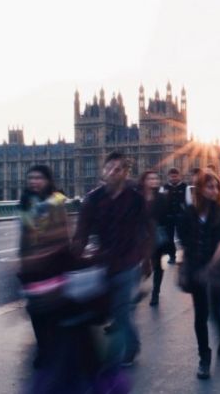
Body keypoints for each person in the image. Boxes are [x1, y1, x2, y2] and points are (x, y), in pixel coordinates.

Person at [73, 152, 151, 367]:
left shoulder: (135, 199)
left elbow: (147, 229)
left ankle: (117, 357)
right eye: (108, 168)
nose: (111, 172)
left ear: (126, 173)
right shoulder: (93, 199)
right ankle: (130, 344)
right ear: (103, 170)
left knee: (120, 313)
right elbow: (81, 233)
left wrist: (146, 260)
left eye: (118, 169)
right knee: (102, 311)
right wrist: (74, 257)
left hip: (128, 263)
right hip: (103, 264)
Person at [179, 170, 220, 380]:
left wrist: (210, 267)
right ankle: (204, 357)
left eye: (216, 186)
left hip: (217, 267)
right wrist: (186, 267)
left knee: (217, 311)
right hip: (195, 267)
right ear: (200, 189)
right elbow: (184, 243)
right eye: (209, 186)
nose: (214, 190)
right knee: (200, 315)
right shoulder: (188, 212)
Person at [17, 165, 70, 368]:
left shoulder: (56, 202)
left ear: (48, 180)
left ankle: (54, 349)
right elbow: (24, 236)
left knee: (53, 312)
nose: (34, 181)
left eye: (38, 178)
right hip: (32, 267)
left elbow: (63, 236)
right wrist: (23, 261)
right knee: (36, 312)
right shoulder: (25, 203)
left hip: (52, 265)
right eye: (30, 178)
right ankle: (43, 349)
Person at [139, 170, 171, 307]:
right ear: (144, 181)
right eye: (150, 178)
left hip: (157, 235)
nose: (154, 181)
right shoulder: (137, 197)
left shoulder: (162, 198)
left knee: (157, 265)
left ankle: (155, 293)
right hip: (140, 236)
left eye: (156, 178)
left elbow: (167, 219)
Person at [162, 168, 187, 265]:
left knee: (183, 237)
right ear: (168, 177)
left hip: (182, 216)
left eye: (175, 176)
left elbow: (189, 203)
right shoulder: (164, 187)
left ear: (179, 176)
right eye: (172, 176)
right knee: (169, 238)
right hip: (168, 217)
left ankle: (185, 255)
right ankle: (172, 256)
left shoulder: (185, 187)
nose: (173, 178)